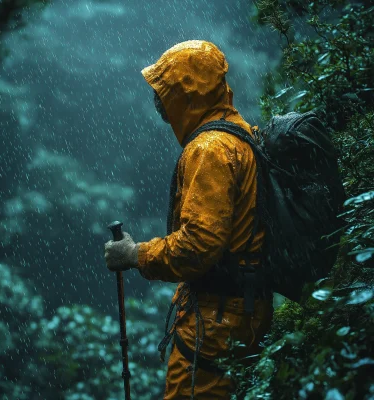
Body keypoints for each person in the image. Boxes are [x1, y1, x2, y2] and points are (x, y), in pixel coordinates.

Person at [104, 40, 274, 400]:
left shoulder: (209, 149)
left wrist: (136, 254)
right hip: (245, 310)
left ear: (186, 97)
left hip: (215, 325)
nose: (159, 105)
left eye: (165, 94)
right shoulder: (242, 133)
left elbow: (199, 246)